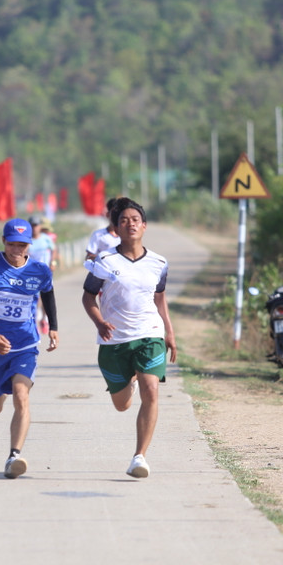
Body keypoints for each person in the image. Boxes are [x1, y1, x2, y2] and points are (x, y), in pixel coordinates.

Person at [81, 198, 177, 479]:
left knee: (152, 390)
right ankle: (130, 381)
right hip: (114, 341)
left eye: (135, 219)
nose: (130, 224)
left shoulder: (159, 262)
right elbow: (88, 297)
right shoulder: (104, 261)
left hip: (149, 334)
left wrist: (169, 332)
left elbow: (159, 298)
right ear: (116, 228)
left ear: (144, 226)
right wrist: (99, 321)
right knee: (121, 405)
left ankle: (139, 457)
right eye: (124, 220)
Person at [0, 218, 59, 479]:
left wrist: (53, 326)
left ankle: (14, 456)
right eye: (12, 244)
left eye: (22, 245)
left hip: (26, 345)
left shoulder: (39, 270)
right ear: (3, 242)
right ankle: (0, 384)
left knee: (22, 395)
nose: (17, 250)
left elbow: (48, 294)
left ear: (29, 244)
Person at [28, 215, 58, 335]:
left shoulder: (46, 239)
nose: (34, 228)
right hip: (32, 275)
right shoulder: (27, 241)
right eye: (32, 226)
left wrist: (53, 262)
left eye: (36, 225)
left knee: (46, 297)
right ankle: (35, 320)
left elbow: (54, 250)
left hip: (46, 273)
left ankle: (45, 319)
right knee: (36, 298)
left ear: (40, 226)